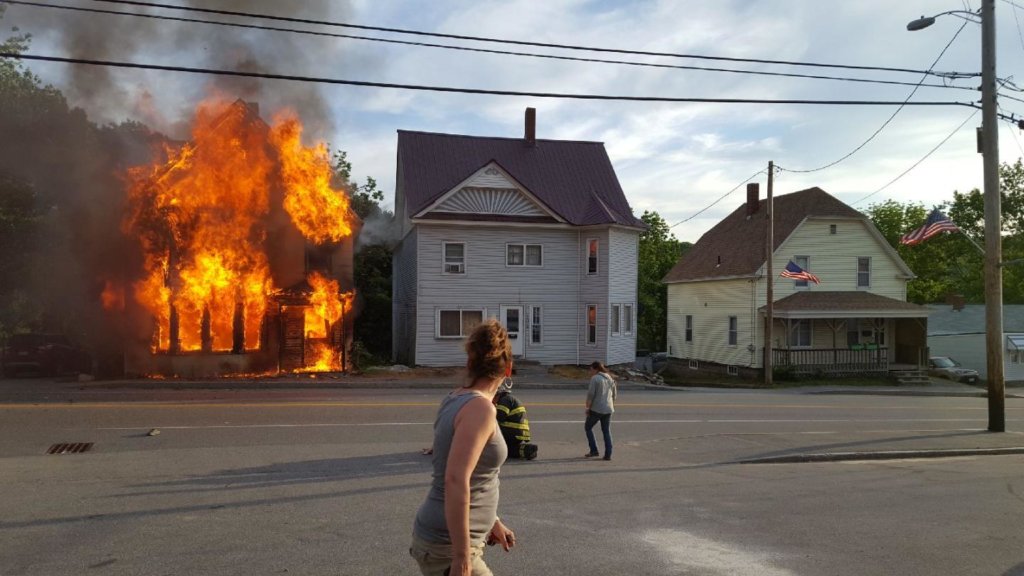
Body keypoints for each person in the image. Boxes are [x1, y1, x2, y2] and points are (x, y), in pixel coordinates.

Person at [411, 319, 517, 576]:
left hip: (449, 540)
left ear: (469, 363)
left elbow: (478, 474)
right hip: (448, 547)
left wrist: (493, 521)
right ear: (508, 370)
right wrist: (461, 557)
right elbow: (456, 479)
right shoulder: (480, 409)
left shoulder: (456, 398)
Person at [493, 380, 538, 460]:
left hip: (512, 432)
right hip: (517, 433)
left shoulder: (505, 400)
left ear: (497, 394)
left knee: (491, 431)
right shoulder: (509, 399)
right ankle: (527, 450)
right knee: (508, 450)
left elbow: (499, 417)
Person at [584, 361, 617, 461]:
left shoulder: (595, 378)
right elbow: (614, 395)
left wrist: (588, 408)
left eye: (591, 369)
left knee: (588, 427)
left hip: (597, 409)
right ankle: (608, 454)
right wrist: (610, 403)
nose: (590, 371)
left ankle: (594, 450)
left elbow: (591, 395)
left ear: (595, 369)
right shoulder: (610, 377)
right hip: (608, 408)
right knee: (606, 430)